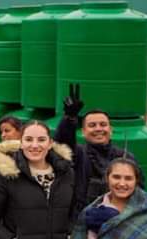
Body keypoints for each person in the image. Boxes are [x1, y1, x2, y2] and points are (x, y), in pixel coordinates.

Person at [55, 84, 131, 213]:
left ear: (110, 130)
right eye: (92, 125)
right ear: (83, 131)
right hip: (83, 219)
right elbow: (62, 146)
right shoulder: (79, 153)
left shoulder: (125, 157)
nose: (98, 129)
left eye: (103, 124)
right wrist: (69, 118)